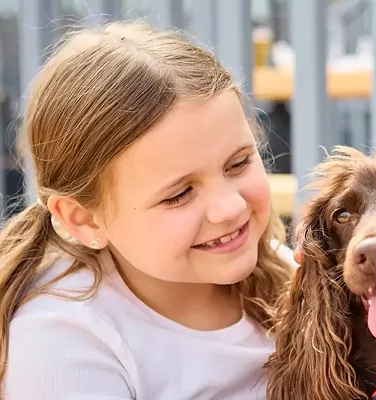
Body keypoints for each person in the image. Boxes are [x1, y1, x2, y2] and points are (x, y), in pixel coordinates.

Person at [0, 20, 296, 399]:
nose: (229, 207)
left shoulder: (280, 269)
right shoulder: (63, 338)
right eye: (179, 194)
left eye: (238, 164)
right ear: (83, 217)